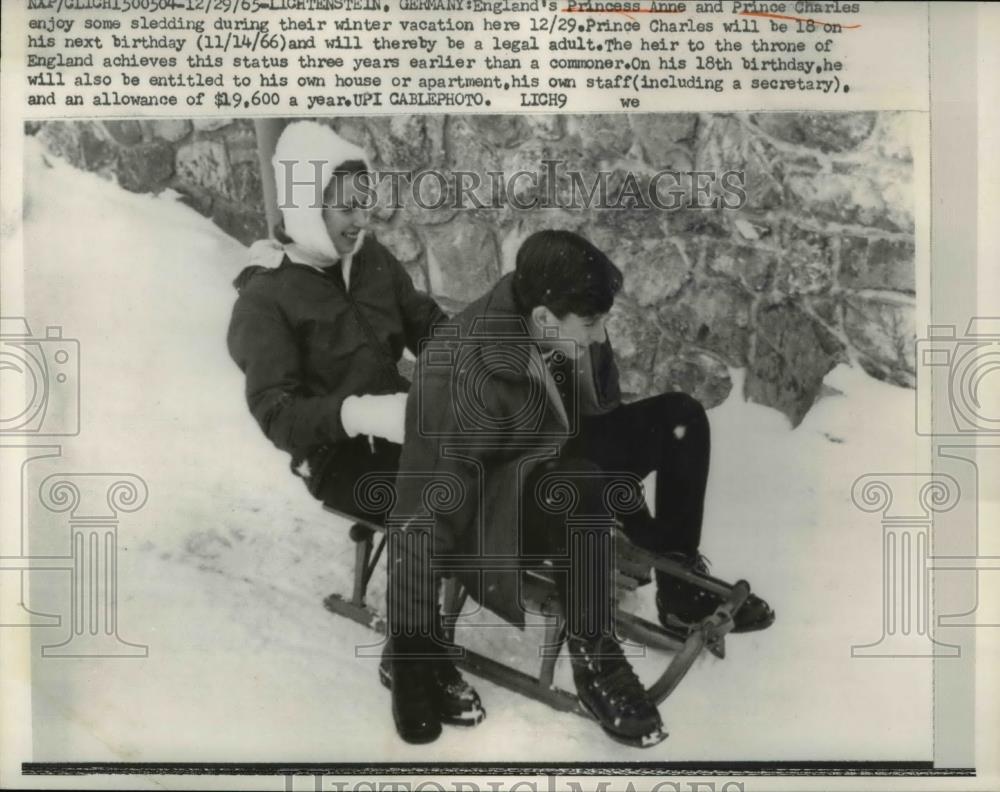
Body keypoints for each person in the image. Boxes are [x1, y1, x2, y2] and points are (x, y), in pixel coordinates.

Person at [387, 230, 774, 747]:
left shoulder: (565, 318)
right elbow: (422, 518)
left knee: (680, 417)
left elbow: (601, 417)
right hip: (495, 516)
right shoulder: (461, 373)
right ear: (545, 318)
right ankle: (596, 660)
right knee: (580, 485)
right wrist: (411, 658)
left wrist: (639, 523)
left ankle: (680, 590)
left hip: (557, 461)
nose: (599, 335)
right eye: (591, 325)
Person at [226, 120, 486, 730]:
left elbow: (422, 321)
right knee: (432, 498)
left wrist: (469, 356)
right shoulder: (265, 300)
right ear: (304, 205)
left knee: (483, 462)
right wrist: (360, 413)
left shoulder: (370, 260)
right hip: (338, 458)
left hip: (402, 426)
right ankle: (412, 653)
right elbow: (276, 414)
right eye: (342, 207)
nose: (357, 220)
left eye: (361, 206)